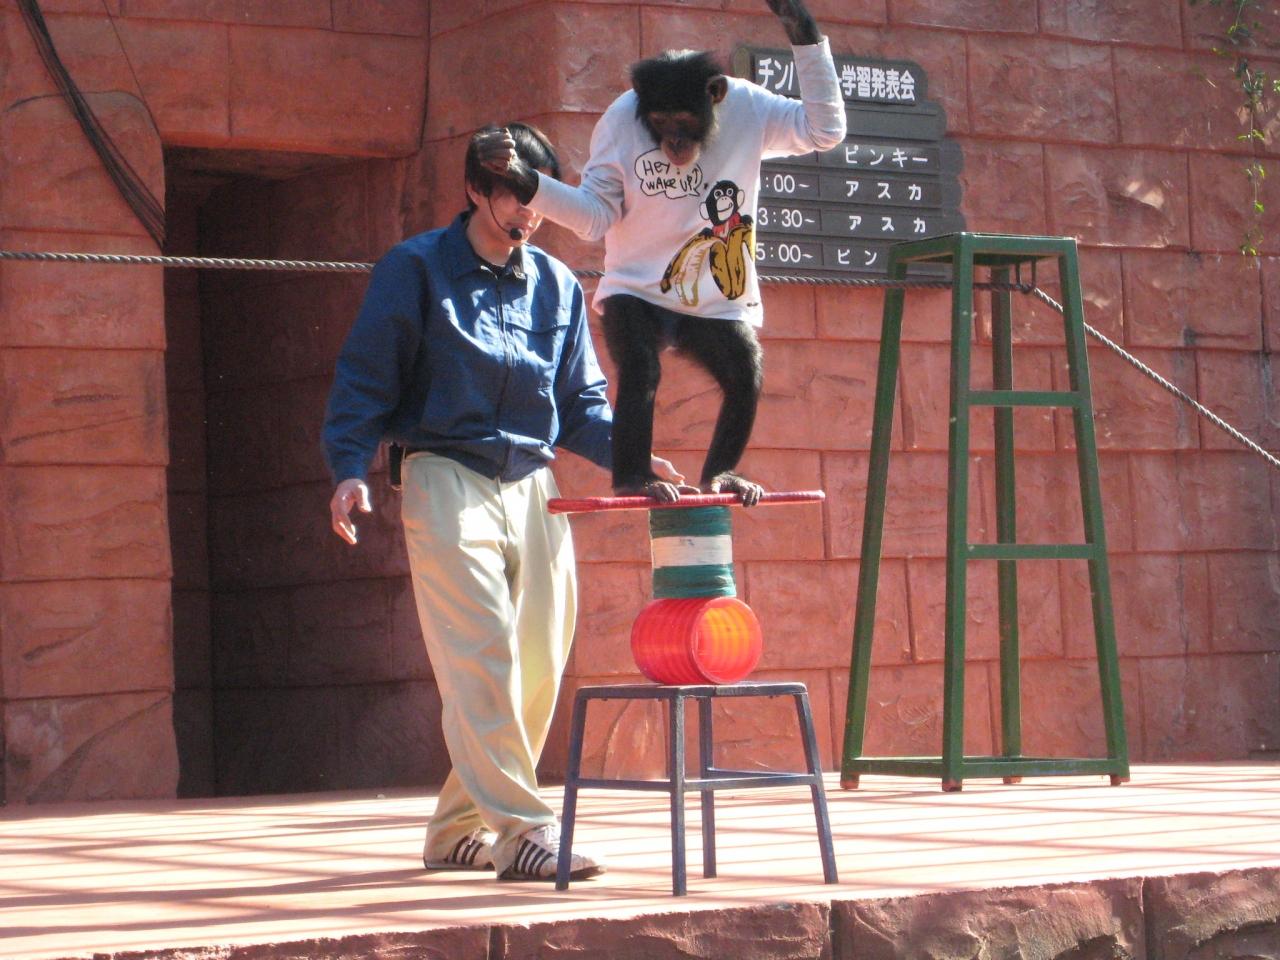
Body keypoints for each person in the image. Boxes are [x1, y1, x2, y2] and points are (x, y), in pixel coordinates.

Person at [322, 122, 680, 882]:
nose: (526, 213)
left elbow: (581, 405)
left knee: (539, 660)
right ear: (473, 191)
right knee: (479, 652)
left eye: (537, 199)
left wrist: (632, 457)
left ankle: (456, 827)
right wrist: (349, 468)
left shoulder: (556, 284)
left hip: (532, 485)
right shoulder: (414, 269)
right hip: (444, 474)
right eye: (512, 196)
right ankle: (523, 831)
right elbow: (363, 379)